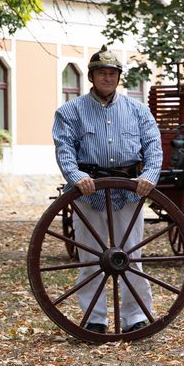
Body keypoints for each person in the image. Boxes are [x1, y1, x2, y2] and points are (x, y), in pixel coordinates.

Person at [52, 46, 163, 336]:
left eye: (112, 73)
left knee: (131, 257)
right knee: (91, 258)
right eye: (102, 73)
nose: (107, 78)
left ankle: (135, 315)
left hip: (129, 190)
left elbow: (154, 147)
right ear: (91, 76)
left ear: (118, 78)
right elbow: (64, 151)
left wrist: (150, 175)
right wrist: (76, 176)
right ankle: (94, 318)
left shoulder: (138, 111)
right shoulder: (69, 112)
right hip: (88, 192)